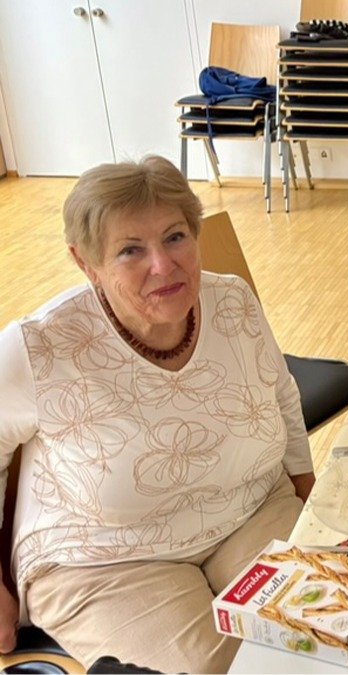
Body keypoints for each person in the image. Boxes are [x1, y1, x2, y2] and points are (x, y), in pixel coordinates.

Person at [0, 156, 316, 673]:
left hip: (250, 510)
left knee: (322, 631)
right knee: (217, 670)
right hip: (107, 561)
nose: (163, 265)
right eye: (130, 250)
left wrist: (309, 493)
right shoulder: (39, 347)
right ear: (86, 262)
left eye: (175, 237)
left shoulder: (231, 301)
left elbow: (281, 393)